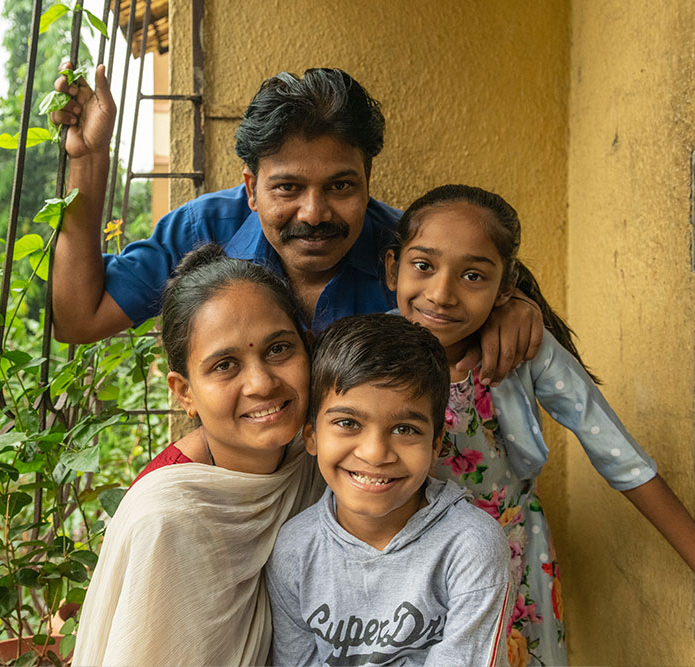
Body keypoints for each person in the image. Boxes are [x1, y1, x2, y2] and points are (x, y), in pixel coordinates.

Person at [50, 65, 542, 386]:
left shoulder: (415, 258)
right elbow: (80, 319)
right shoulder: (202, 229)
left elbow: (473, 290)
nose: (314, 213)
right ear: (250, 187)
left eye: (340, 187)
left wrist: (509, 309)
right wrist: (90, 161)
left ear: (367, 180)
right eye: (286, 188)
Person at [384, 183, 695, 666]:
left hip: (512, 561)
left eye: (473, 276)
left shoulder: (525, 352)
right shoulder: (367, 355)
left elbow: (619, 455)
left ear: (505, 288)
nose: (441, 294)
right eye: (423, 266)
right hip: (409, 564)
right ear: (392, 268)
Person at [73, 244, 324, 666]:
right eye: (225, 365)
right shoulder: (169, 522)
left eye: (279, 349)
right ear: (184, 391)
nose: (261, 383)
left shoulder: (319, 457)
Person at [267, 313, 513, 666]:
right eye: (348, 423)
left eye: (405, 429)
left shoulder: (469, 544)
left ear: (436, 445)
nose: (375, 453)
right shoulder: (294, 550)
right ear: (311, 436)